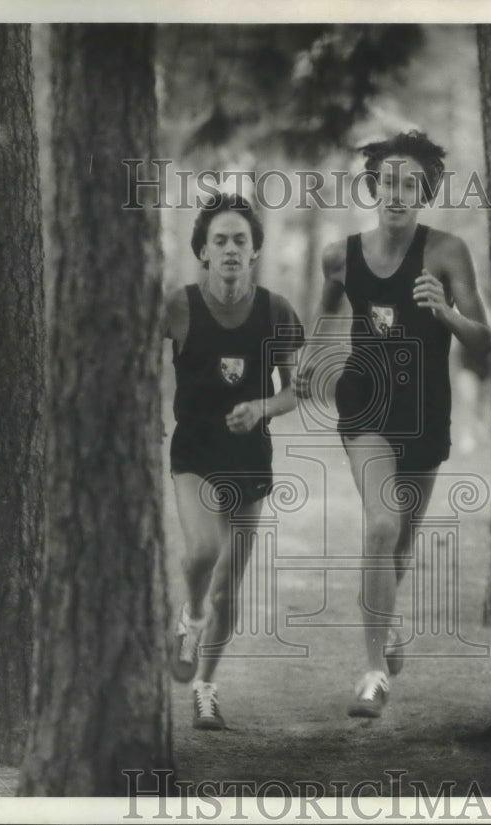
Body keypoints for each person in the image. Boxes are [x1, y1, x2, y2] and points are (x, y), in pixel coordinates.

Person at [294, 131, 491, 718]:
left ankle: (388, 621)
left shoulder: (448, 252)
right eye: (389, 183)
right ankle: (374, 672)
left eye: (411, 185)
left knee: (399, 547)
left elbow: (485, 341)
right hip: (366, 405)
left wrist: (446, 312)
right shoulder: (340, 255)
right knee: (381, 525)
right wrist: (310, 357)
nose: (398, 194)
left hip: (426, 410)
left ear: (424, 192)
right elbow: (328, 307)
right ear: (373, 187)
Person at [166, 193, 303, 730]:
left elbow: (297, 392)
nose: (229, 249)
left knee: (230, 586)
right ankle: (190, 615)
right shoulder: (177, 306)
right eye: (219, 240)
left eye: (239, 240)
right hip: (195, 454)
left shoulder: (276, 310)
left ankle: (206, 687)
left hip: (249, 459)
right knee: (201, 553)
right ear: (202, 250)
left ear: (255, 251)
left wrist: (262, 407)